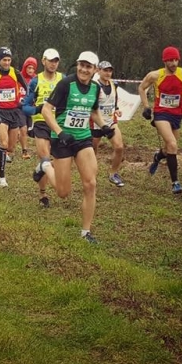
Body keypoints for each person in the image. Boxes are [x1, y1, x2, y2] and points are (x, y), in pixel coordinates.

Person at [41, 51, 112, 243]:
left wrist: (104, 126)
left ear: (95, 70)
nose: (83, 69)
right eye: (81, 64)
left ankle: (85, 232)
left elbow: (94, 111)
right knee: (63, 193)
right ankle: (45, 166)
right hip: (62, 139)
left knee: (91, 184)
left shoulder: (95, 88)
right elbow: (46, 110)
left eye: (88, 66)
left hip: (83, 139)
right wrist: (60, 132)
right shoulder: (66, 84)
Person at [138, 46, 182, 194]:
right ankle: (175, 183)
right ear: (165, 61)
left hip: (177, 114)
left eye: (176, 59)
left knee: (169, 149)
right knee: (172, 144)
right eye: (170, 60)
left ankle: (158, 156)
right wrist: (146, 107)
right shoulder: (155, 75)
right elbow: (141, 88)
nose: (174, 63)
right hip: (161, 114)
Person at [22, 48, 63, 207]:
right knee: (45, 158)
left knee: (56, 160)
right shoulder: (35, 81)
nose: (53, 64)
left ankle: (40, 168)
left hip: (58, 124)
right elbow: (24, 106)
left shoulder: (62, 79)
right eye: (50, 60)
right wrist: (38, 109)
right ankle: (43, 195)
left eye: (56, 61)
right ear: (43, 61)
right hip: (41, 123)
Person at [0, 47, 27, 188]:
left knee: (11, 148)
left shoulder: (15, 73)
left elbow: (27, 87)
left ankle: (0, 149)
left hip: (14, 112)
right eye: (4, 60)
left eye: (9, 60)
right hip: (0, 112)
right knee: (5, 143)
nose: (6, 63)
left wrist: (26, 100)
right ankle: (1, 178)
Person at [91, 61, 126, 187]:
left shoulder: (113, 84)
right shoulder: (94, 86)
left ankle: (113, 173)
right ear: (98, 71)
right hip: (95, 123)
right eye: (105, 70)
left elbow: (114, 99)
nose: (108, 73)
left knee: (119, 147)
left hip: (110, 121)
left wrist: (116, 109)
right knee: (93, 150)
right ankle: (91, 175)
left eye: (110, 70)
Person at [19, 56, 37, 159]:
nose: (30, 70)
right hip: (20, 108)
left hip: (30, 108)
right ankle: (24, 151)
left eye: (33, 68)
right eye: (28, 68)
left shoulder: (36, 79)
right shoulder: (19, 77)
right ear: (25, 67)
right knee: (23, 128)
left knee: (30, 131)